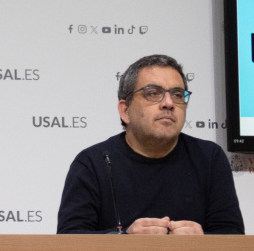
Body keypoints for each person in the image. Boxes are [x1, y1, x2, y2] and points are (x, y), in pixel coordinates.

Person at [57, 53, 243, 235]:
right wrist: (124, 239)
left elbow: (233, 236)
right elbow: (69, 238)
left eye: (178, 95)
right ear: (125, 110)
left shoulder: (209, 158)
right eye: (154, 93)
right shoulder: (93, 163)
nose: (169, 103)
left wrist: (203, 240)